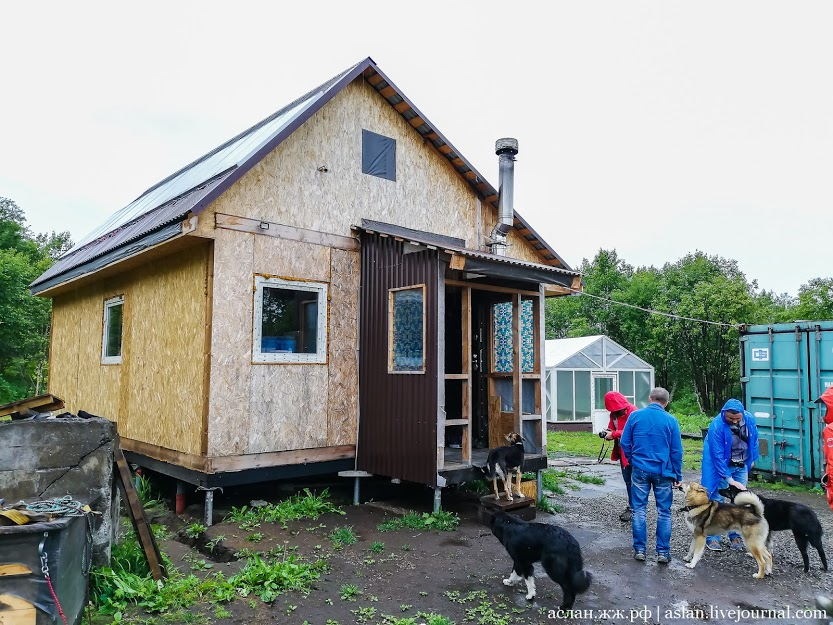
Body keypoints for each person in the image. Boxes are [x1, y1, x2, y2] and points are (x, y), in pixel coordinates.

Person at [620, 387, 683, 564]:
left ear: (650, 398)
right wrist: (677, 474)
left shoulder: (635, 416)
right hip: (663, 471)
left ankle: (640, 550)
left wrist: (633, 460)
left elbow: (625, 442)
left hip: (639, 469)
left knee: (638, 509)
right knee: (664, 512)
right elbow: (677, 451)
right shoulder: (671, 420)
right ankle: (663, 553)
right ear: (666, 402)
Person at [701, 398, 759, 552]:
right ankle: (713, 537)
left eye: (737, 418)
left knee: (739, 501)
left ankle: (736, 535)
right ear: (723, 413)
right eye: (730, 418)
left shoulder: (749, 420)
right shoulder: (717, 426)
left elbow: (754, 441)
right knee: (717, 500)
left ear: (742, 414)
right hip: (721, 465)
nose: (734, 421)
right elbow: (717, 455)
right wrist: (729, 479)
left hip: (740, 464)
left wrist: (751, 459)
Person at [602, 391, 638, 522]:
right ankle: (633, 507)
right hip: (621, 451)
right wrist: (608, 433)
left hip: (633, 453)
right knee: (628, 481)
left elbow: (634, 431)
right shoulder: (614, 414)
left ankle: (636, 509)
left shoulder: (633, 412)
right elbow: (611, 428)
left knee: (636, 482)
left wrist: (615, 434)